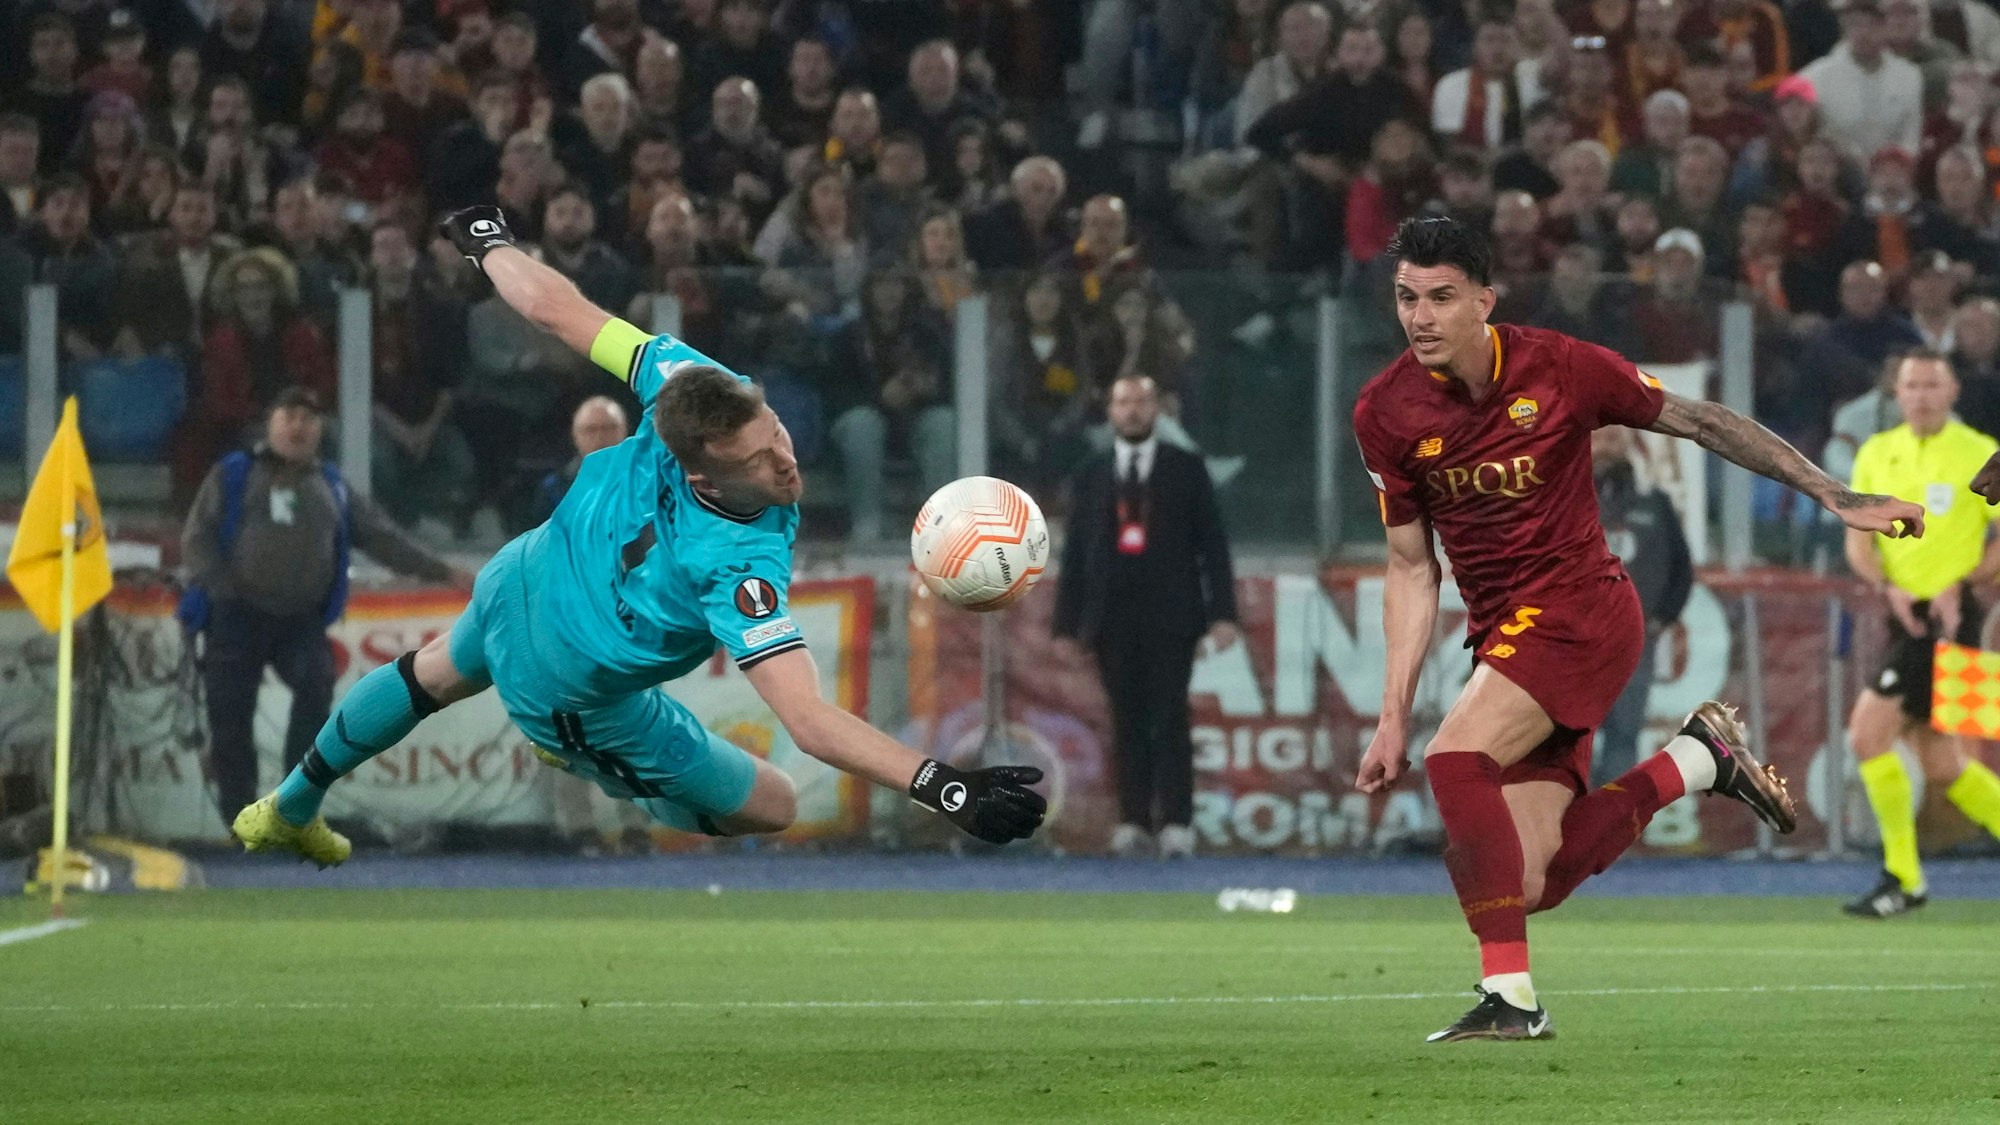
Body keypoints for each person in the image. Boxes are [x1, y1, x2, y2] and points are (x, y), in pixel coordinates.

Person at [229, 205, 1046, 866]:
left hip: (525, 572)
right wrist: (947, 787)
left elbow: (558, 309)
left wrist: (487, 241)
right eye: (759, 461)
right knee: (774, 803)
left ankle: (287, 806)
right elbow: (808, 721)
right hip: (566, 684)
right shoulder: (736, 565)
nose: (785, 462)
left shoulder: (684, 379)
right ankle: (615, 769)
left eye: (776, 431)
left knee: (432, 673)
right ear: (705, 477)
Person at [1351, 216, 1921, 1042]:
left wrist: (1833, 493)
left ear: (1484, 301)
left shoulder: (1560, 367)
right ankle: (1695, 760)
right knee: (1530, 877)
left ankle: (1511, 998)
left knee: (1453, 758)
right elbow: (1411, 568)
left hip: (1582, 607)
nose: (1421, 317)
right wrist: (1391, 713)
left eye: (1441, 297)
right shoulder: (1385, 411)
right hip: (1504, 635)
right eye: (1407, 298)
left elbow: (1701, 420)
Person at [181, 388, 474, 828]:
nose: (298, 426)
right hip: (236, 615)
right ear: (270, 423)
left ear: (320, 430)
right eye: (290, 416)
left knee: (317, 689)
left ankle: (289, 808)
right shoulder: (234, 474)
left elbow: (382, 538)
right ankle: (240, 824)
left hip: (301, 621)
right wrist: (221, 589)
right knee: (230, 721)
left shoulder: (332, 485)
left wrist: (444, 571)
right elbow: (197, 538)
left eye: (309, 418)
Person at [1052, 376, 1239, 860]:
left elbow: (1213, 545)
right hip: (1111, 617)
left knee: (1171, 715)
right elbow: (1075, 555)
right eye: (1123, 402)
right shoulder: (1092, 473)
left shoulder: (1185, 468)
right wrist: (1066, 625)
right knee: (1125, 719)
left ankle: (1176, 822)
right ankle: (1133, 821)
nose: (1132, 410)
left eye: (1141, 401)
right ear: (1110, 411)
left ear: (1157, 409)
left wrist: (1222, 614)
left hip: (1172, 615)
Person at [1841, 351, 2000, 917]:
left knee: (1867, 736)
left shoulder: (1979, 451)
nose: (1922, 395)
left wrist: (1966, 583)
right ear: (1897, 392)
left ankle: (1904, 877)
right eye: (1912, 385)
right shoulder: (1876, 452)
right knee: (1942, 763)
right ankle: (1905, 880)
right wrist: (1888, 587)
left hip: (1955, 618)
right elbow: (1858, 539)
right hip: (1902, 616)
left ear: (1953, 390)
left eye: (1933, 384)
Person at [1590, 426, 1693, 786]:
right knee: (1566, 741)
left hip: (1632, 642)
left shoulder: (1653, 501)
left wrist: (1662, 618)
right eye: (1598, 438)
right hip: (1571, 642)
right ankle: (1562, 816)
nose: (1607, 447)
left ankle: (1608, 819)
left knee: (1623, 736)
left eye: (1614, 438)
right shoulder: (1558, 500)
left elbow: (1681, 567)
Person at [538, 395, 631, 522]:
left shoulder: (647, 480)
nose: (600, 437)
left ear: (624, 431)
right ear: (576, 435)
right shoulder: (554, 488)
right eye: (591, 430)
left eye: (608, 428)